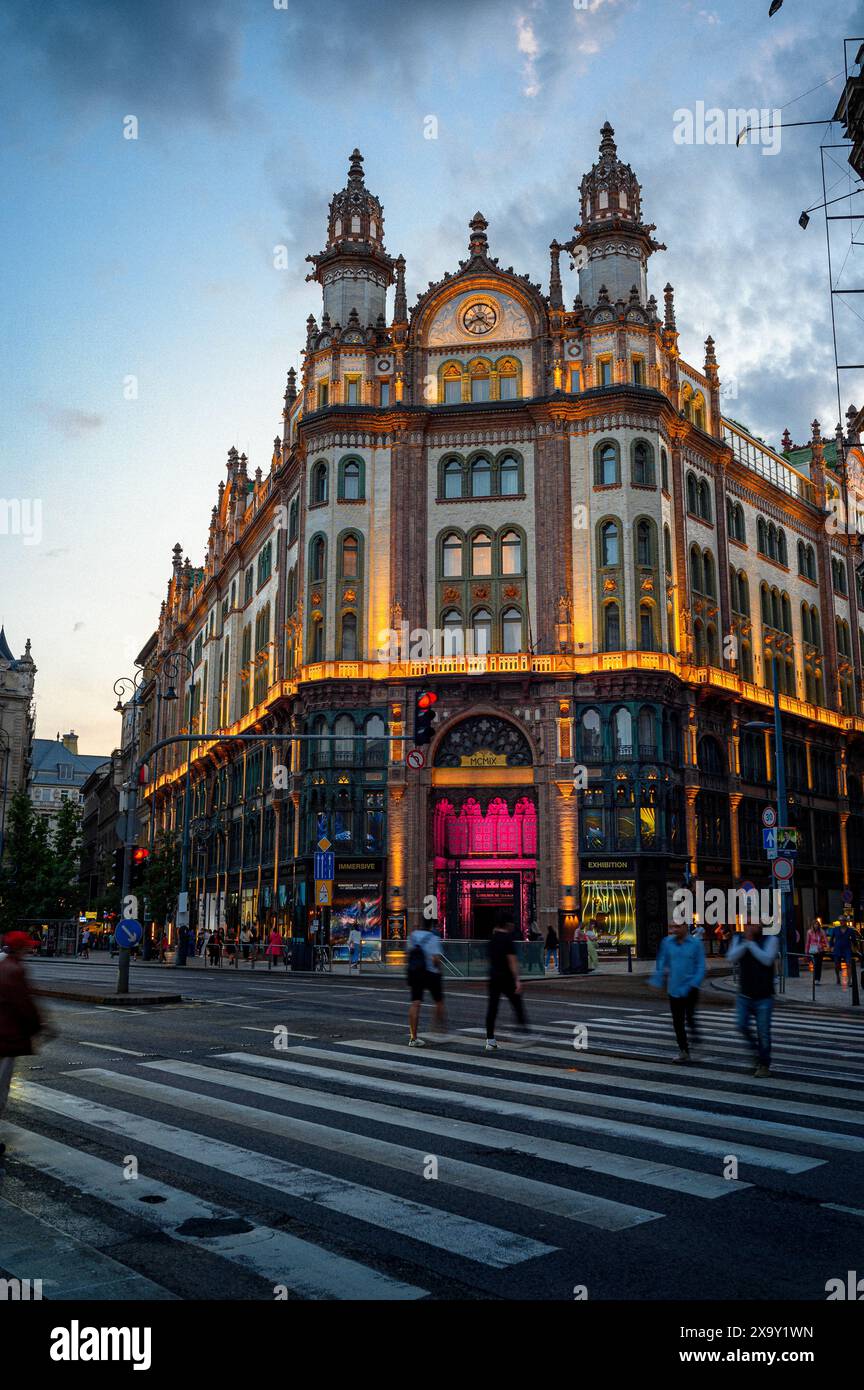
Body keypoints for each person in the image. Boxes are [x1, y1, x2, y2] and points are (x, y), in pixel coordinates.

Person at [0, 932, 45, 1155]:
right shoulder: (14, 971)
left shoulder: (2, 967)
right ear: (18, 949)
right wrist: (39, 1028)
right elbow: (25, 1006)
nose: (30, 950)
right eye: (27, 947)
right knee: (0, 1088)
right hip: (5, 1038)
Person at [649, 919, 706, 1063]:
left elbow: (700, 966)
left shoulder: (696, 944)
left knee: (690, 1017)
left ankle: (695, 1036)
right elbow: (662, 961)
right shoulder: (667, 942)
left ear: (685, 927)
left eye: (677, 927)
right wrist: (657, 979)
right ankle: (684, 1051)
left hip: (690, 988)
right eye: (672, 927)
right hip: (674, 988)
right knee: (677, 1022)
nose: (674, 930)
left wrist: (694, 983)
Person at [727, 923, 779, 1077]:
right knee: (741, 1025)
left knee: (763, 1032)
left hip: (764, 995)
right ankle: (758, 1054)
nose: (748, 927)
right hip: (744, 994)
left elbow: (767, 959)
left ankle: (764, 1064)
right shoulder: (738, 938)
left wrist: (750, 944)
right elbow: (731, 957)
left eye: (753, 924)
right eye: (747, 923)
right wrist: (746, 943)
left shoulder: (770, 940)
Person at [485, 917, 529, 1051]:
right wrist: (517, 979)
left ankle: (490, 1040)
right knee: (517, 1003)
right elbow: (512, 961)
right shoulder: (507, 939)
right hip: (507, 977)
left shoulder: (492, 939)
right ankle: (523, 1031)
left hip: (494, 976)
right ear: (507, 924)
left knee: (492, 1008)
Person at [406, 922, 445, 1047]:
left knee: (415, 1003)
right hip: (431, 973)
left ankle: (413, 1037)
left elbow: (408, 954)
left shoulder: (412, 936)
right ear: (431, 926)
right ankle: (436, 1028)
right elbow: (436, 959)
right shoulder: (433, 938)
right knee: (439, 1001)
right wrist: (439, 970)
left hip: (415, 972)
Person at [832, 918, 855, 987]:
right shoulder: (835, 929)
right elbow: (832, 938)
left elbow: (854, 940)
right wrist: (831, 946)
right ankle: (838, 977)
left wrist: (855, 947)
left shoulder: (850, 930)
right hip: (837, 949)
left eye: (842, 920)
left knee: (848, 964)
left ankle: (849, 981)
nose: (841, 922)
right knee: (837, 965)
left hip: (847, 949)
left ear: (845, 922)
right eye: (840, 920)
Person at [805, 918, 829, 985]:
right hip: (813, 950)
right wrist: (806, 952)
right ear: (813, 925)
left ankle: (818, 979)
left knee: (819, 965)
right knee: (815, 965)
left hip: (820, 951)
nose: (816, 926)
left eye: (817, 925)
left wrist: (827, 946)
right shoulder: (809, 932)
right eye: (815, 925)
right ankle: (815, 979)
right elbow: (808, 942)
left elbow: (825, 940)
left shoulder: (822, 932)